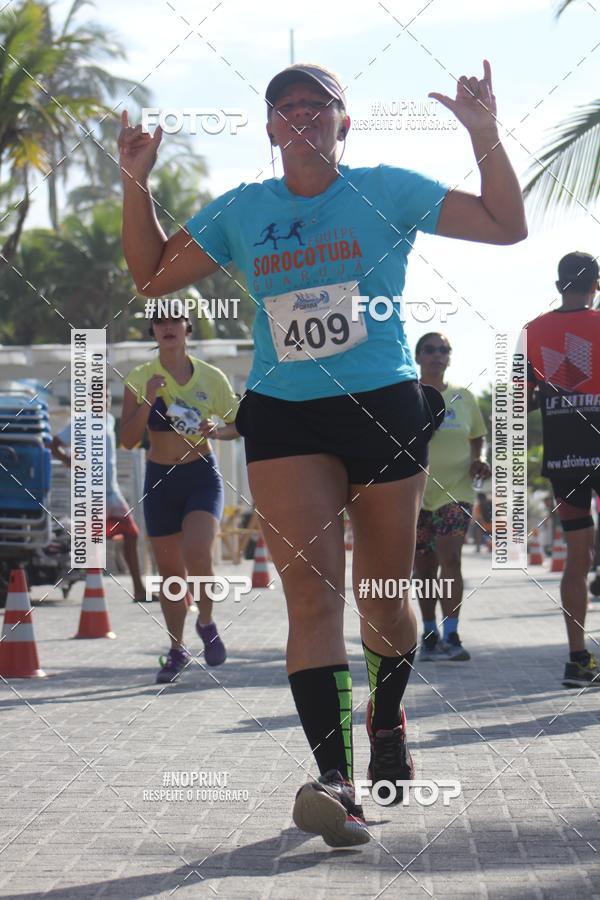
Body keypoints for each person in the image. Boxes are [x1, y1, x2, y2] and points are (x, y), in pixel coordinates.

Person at [119, 60, 526, 847]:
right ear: (270, 128)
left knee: (382, 596)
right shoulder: (244, 209)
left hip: (380, 406)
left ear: (347, 122)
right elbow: (149, 277)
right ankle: (335, 781)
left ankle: (388, 713)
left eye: (319, 105)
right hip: (284, 415)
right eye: (286, 107)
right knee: (312, 599)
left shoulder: (389, 189)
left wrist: (483, 134)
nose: (302, 115)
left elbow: (507, 226)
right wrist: (136, 182)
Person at [119, 306, 239, 684]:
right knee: (170, 575)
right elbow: (127, 439)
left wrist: (216, 430)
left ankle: (206, 621)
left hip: (201, 475)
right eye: (160, 321)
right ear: (152, 330)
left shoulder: (211, 376)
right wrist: (147, 399)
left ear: (187, 327)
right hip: (159, 480)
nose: (168, 327)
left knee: (198, 552)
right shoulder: (139, 377)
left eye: (175, 321)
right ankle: (176, 649)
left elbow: (239, 422)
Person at [525, 251, 600, 688]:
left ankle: (577, 660)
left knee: (576, 559)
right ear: (595, 284)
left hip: (564, 459)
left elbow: (521, 400)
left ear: (559, 286)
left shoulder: (532, 332)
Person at [413, 333, 490, 661]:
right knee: (425, 567)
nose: (437, 355)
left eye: (444, 349)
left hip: (455, 493)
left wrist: (479, 459)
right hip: (414, 494)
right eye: (430, 349)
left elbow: (477, 438)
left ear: (450, 357)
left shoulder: (463, 396)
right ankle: (429, 633)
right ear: (417, 357)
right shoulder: (407, 395)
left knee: (451, 560)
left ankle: (452, 632)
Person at [51, 387, 151, 602]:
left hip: (111, 491)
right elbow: (54, 444)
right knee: (93, 541)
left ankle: (138, 589)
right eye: (98, 397)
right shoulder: (80, 422)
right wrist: (69, 461)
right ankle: (92, 592)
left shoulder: (109, 420)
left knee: (131, 534)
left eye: (106, 396)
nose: (103, 400)